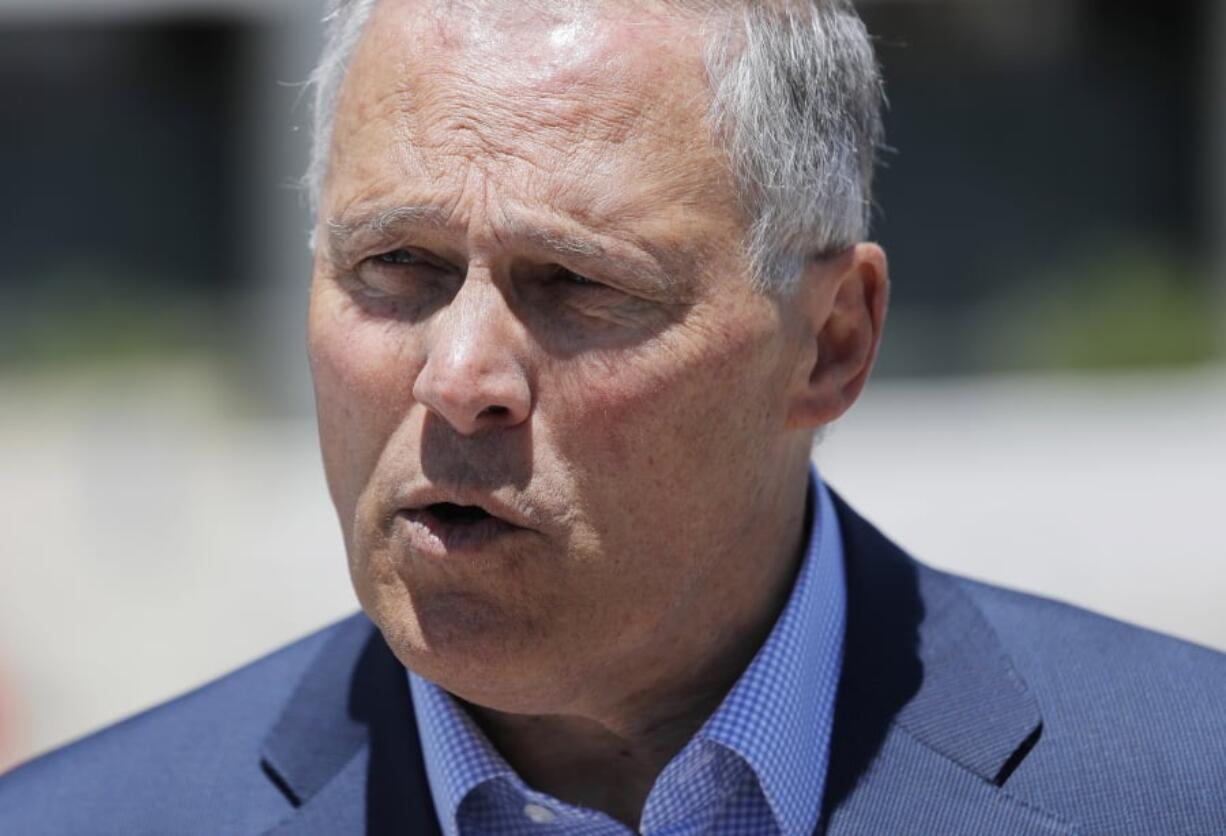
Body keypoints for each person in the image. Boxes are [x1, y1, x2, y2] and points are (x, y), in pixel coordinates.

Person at [2, 0, 1224, 833]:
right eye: (396, 266)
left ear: (832, 340)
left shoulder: (1175, 785)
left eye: (577, 283)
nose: (460, 374)